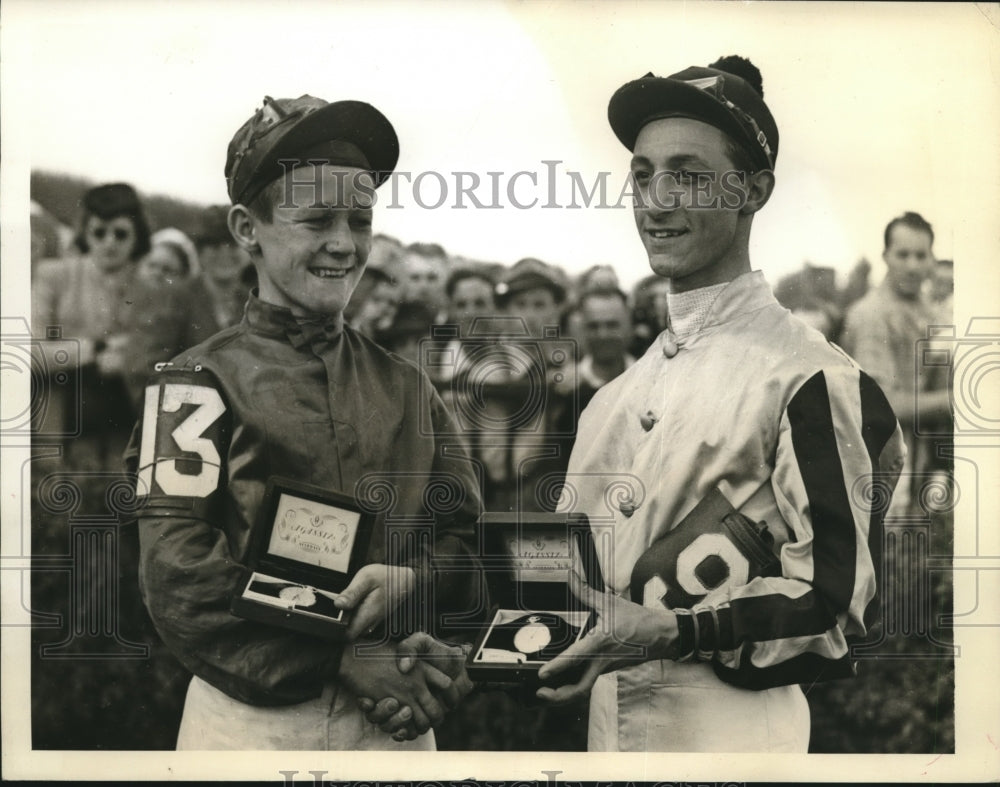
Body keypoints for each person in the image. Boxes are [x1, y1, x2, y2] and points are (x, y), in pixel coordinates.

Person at [534, 56, 906, 753]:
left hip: (736, 734)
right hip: (607, 735)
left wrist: (680, 629)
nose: (657, 198)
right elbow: (568, 584)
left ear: (754, 190)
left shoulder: (809, 375)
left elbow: (835, 599)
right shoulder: (611, 400)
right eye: (643, 175)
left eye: (690, 175)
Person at [125, 95, 481, 750]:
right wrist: (338, 657)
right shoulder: (192, 383)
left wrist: (416, 589)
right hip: (251, 723)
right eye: (316, 218)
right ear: (245, 227)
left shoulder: (407, 386)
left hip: (392, 725)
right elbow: (177, 574)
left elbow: (466, 539)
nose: (344, 244)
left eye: (360, 220)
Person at [33, 182, 187, 469]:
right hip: (59, 427)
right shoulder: (54, 276)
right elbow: (29, 354)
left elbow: (168, 353)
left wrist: (129, 356)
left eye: (120, 233)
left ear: (137, 235)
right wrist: (95, 348)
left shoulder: (152, 286)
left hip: (125, 430)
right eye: (99, 232)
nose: (109, 242)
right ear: (84, 232)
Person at [840, 212, 952, 512]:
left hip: (919, 457)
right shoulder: (872, 315)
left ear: (932, 258)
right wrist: (955, 401)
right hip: (876, 463)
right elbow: (884, 407)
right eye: (903, 255)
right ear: (886, 256)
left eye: (921, 255)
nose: (913, 265)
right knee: (882, 550)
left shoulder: (931, 312)